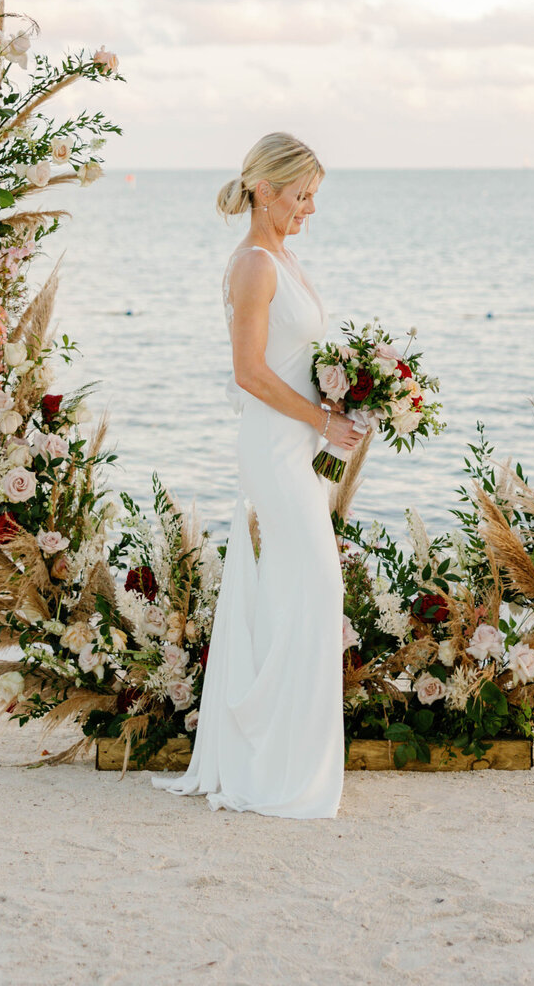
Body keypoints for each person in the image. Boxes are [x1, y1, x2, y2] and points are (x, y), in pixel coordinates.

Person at [152, 132, 361, 817]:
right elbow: (248, 373)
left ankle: (281, 755)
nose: (309, 208)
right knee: (313, 588)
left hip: (298, 441)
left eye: (315, 197)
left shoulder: (285, 258)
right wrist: (320, 420)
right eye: (301, 195)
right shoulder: (253, 266)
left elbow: (292, 355)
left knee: (299, 595)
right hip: (275, 449)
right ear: (263, 190)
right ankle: (274, 764)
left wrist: (339, 398)